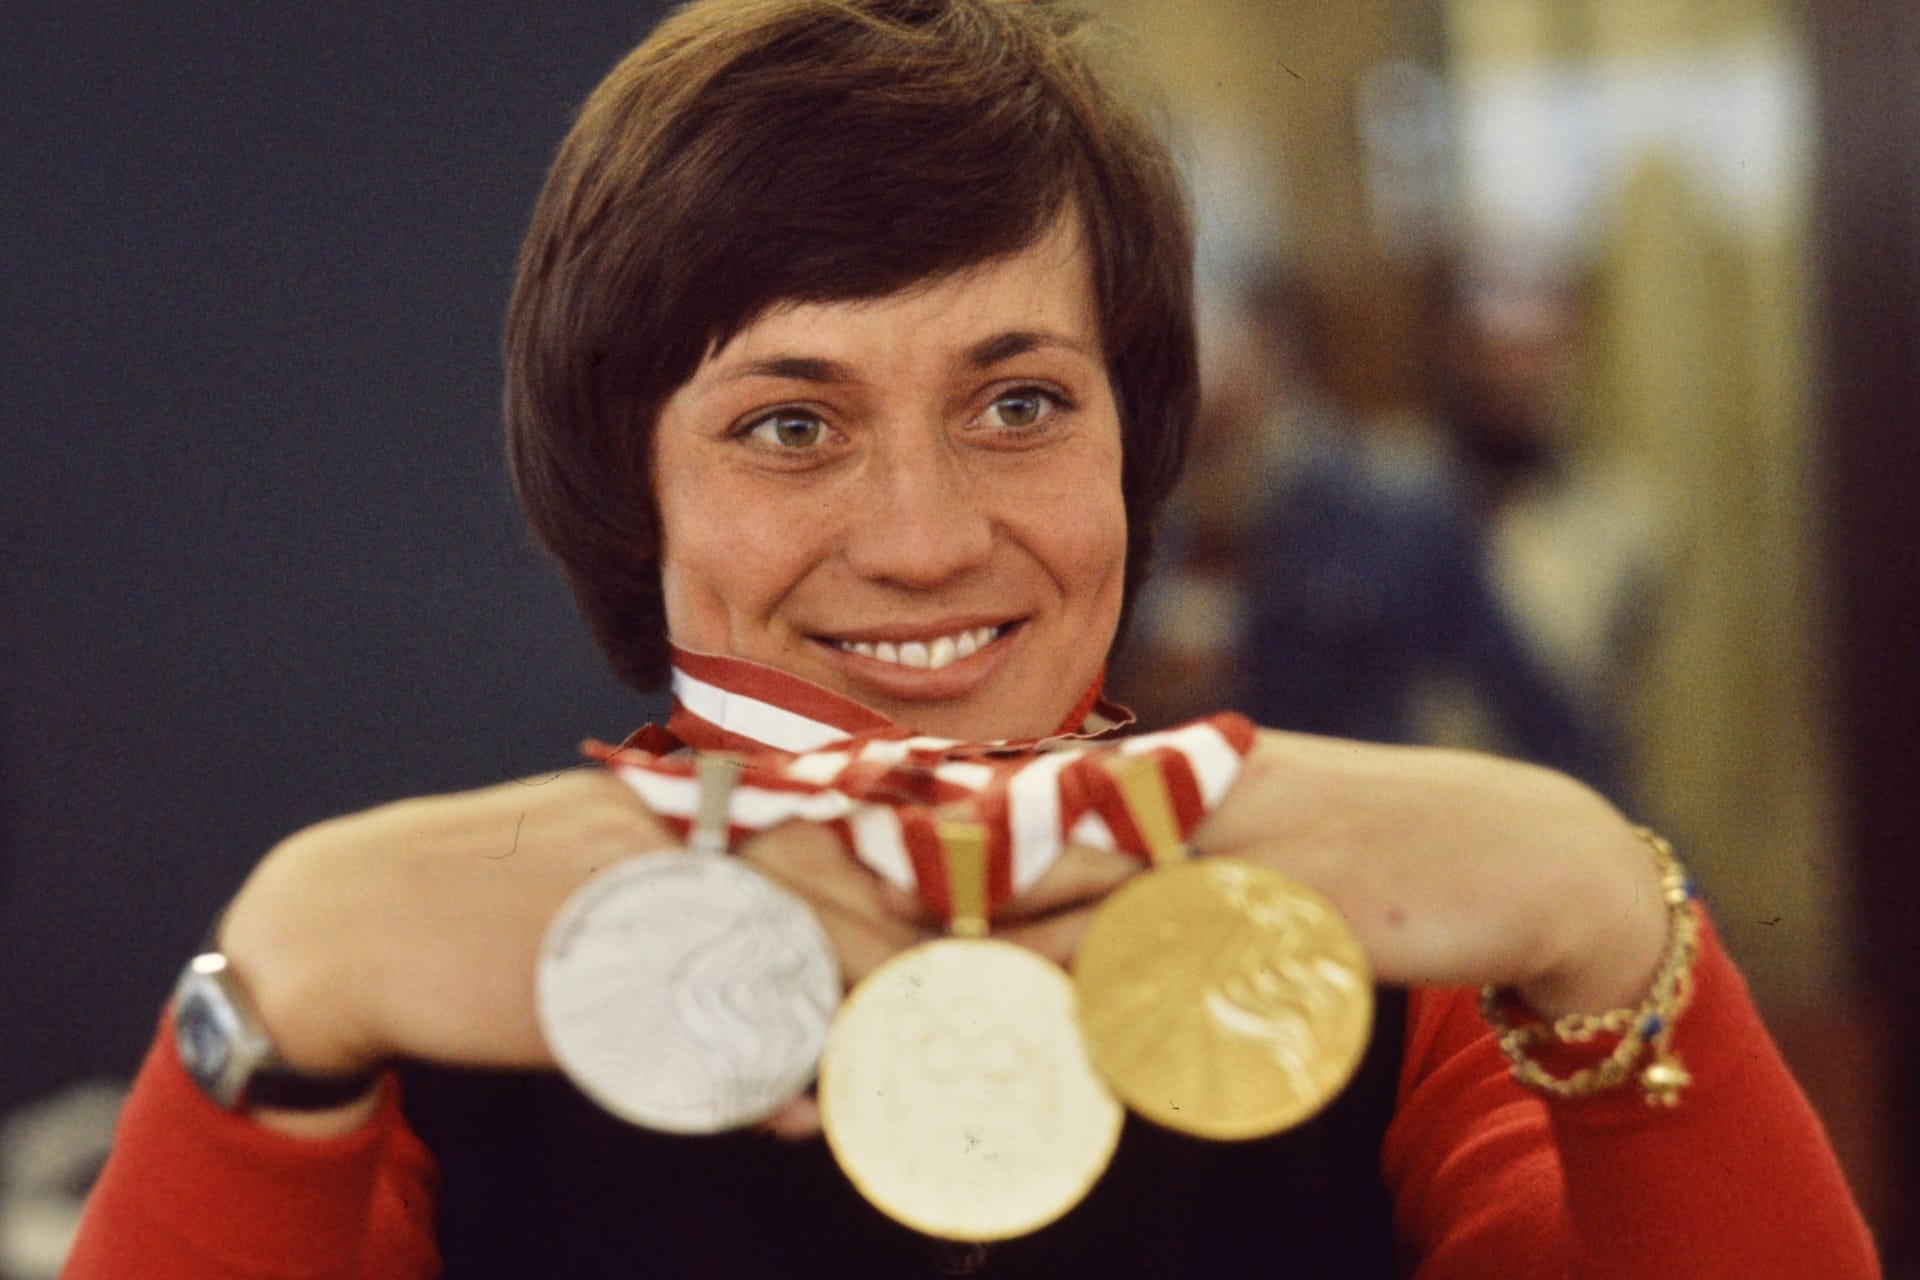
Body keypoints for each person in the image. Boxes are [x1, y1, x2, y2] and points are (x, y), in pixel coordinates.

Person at [66, 1, 1876, 1276]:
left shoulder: (1386, 983)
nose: (929, 541)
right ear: (634, 487)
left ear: (1136, 441)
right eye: (792, 423)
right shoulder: (422, 1015)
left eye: (1018, 403)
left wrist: (1608, 908)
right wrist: (274, 997)